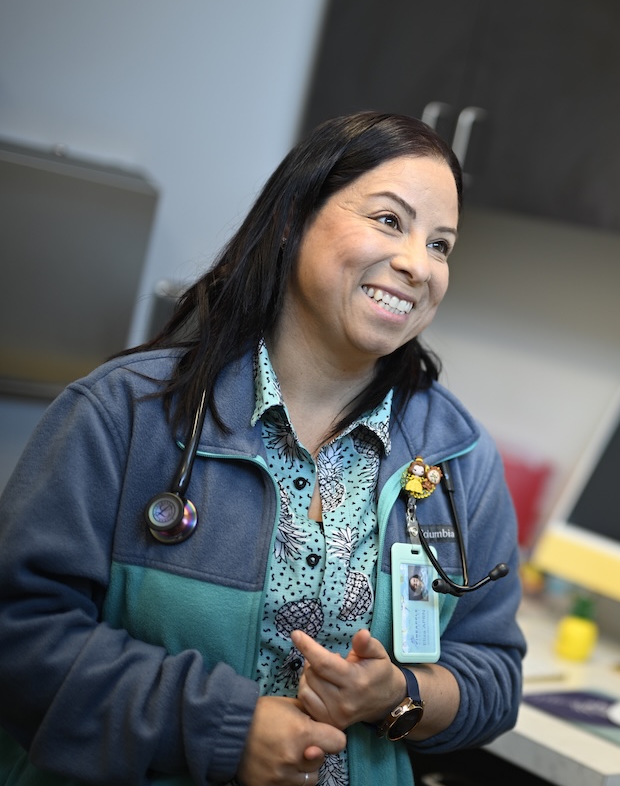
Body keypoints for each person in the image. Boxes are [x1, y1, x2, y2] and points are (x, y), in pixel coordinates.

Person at [0, 112, 526, 785]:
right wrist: (223, 728)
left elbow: (494, 675)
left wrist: (398, 694)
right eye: (390, 221)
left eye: (442, 245)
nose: (417, 264)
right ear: (292, 219)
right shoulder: (124, 415)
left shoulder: (458, 461)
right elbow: (20, 637)